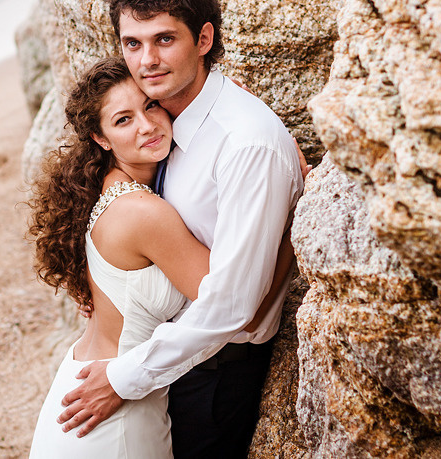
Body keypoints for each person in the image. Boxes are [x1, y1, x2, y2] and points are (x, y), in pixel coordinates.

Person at [56, 0, 307, 458]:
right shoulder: (167, 117)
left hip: (213, 375)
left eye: (165, 39)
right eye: (133, 43)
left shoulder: (245, 145)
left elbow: (235, 307)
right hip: (166, 358)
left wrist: (124, 378)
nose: (147, 60)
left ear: (204, 39)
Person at [26, 56, 294, 458]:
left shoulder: (110, 184)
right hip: (112, 408)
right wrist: (291, 220)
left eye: (150, 106)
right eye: (123, 120)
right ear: (101, 138)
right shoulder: (144, 212)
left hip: (89, 378)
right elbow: (244, 307)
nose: (147, 125)